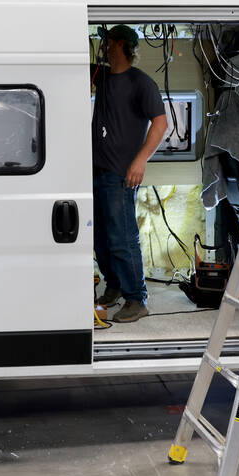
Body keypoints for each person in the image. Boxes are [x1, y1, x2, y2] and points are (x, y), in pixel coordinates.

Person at [91, 25, 168, 323]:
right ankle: (115, 285)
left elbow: (160, 125)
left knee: (122, 237)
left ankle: (137, 299)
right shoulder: (103, 76)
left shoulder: (141, 83)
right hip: (97, 171)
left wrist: (140, 161)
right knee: (101, 238)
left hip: (121, 174)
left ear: (120, 44)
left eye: (108, 41)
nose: (104, 45)